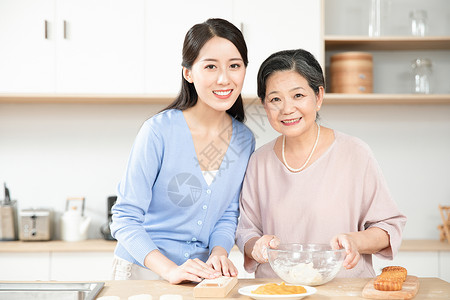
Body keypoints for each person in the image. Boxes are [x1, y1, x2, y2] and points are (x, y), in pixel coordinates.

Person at [235, 49, 407, 278]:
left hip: (344, 292)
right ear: (264, 105)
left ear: (318, 97)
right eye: (275, 99)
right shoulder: (259, 161)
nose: (287, 109)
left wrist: (356, 241)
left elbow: (388, 227)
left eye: (298, 96)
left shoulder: (355, 153)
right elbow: (246, 231)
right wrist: (256, 246)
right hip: (277, 292)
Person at [110, 18, 255, 284]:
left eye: (234, 66)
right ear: (188, 73)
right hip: (143, 272)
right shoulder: (158, 131)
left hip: (200, 275)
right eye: (210, 66)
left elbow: (228, 212)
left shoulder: (244, 140)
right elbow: (124, 218)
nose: (224, 78)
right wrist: (169, 270)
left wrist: (219, 253)